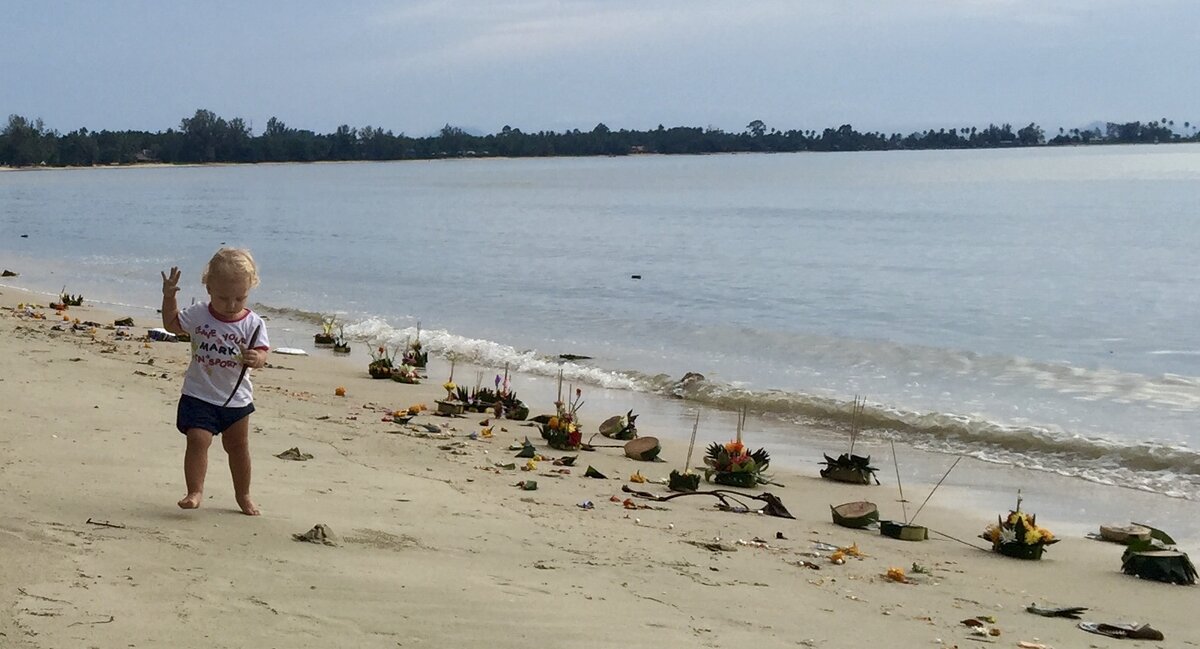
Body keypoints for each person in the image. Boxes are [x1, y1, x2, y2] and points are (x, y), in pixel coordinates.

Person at [161, 248, 270, 515]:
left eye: (239, 298)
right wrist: (169, 297)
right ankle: (194, 491)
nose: (232, 304)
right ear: (208, 287)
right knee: (197, 439)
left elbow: (263, 353)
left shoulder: (253, 323)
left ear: (250, 289)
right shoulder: (199, 315)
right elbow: (172, 325)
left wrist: (256, 358)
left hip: (236, 399)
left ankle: (243, 495)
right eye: (223, 298)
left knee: (238, 448)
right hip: (199, 394)